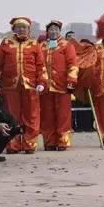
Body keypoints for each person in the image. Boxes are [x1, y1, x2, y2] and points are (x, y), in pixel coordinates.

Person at [0, 17, 47, 154]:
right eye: (18, 27)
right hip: (10, 86)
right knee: (10, 115)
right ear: (13, 29)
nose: (21, 29)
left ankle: (29, 144)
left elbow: (41, 66)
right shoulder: (6, 43)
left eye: (24, 27)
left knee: (31, 115)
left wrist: (42, 82)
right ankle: (12, 144)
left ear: (28, 30)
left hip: (30, 86)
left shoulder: (34, 44)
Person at [39, 21, 79, 151]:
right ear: (47, 31)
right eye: (51, 29)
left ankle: (62, 142)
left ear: (59, 31)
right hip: (45, 86)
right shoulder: (42, 46)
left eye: (56, 29)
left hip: (62, 86)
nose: (53, 31)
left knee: (63, 115)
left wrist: (71, 81)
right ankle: (49, 142)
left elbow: (73, 64)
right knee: (47, 115)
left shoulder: (67, 45)